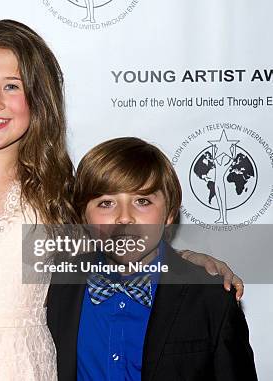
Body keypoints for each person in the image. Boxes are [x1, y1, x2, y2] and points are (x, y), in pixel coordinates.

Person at [0, 20, 242, 381]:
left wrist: (189, 259)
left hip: (29, 366)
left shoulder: (57, 190)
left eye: (12, 86)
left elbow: (117, 245)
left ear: (38, 98)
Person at [47, 137, 257, 381]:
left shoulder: (211, 297)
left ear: (169, 213)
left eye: (142, 201)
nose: (124, 218)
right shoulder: (56, 283)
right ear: (83, 216)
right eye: (106, 203)